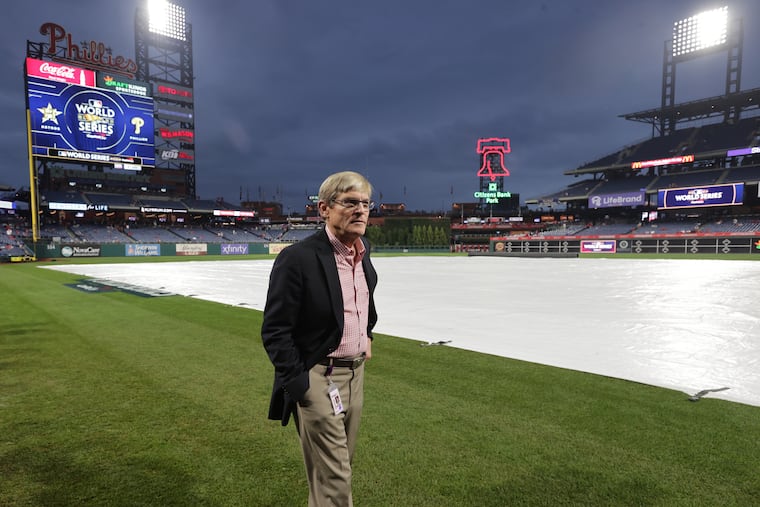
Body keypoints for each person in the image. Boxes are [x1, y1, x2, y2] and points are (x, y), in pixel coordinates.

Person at [261, 171, 378, 507]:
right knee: (337, 479)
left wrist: (366, 335)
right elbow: (275, 329)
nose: (360, 210)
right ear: (325, 209)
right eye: (350, 202)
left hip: (355, 377)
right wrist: (300, 384)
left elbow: (364, 301)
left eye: (365, 204)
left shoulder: (362, 250)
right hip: (318, 377)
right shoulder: (298, 258)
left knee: (330, 475)